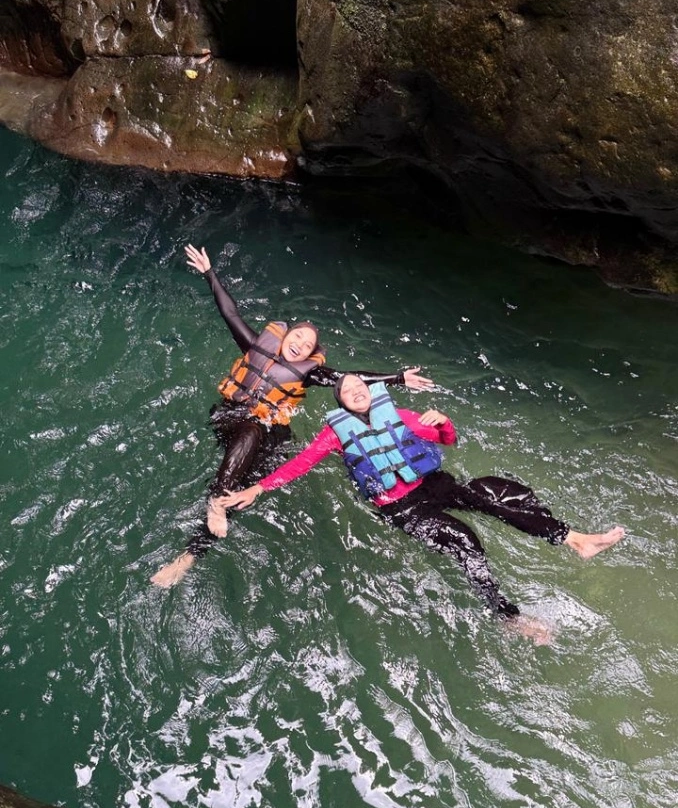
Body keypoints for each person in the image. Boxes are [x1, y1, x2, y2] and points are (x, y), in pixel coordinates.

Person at [214, 375, 626, 642]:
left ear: (369, 391)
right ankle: (507, 617)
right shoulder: (334, 434)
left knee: (492, 497)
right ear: (342, 402)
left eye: (359, 385)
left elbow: (447, 440)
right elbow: (302, 463)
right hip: (402, 508)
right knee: (464, 541)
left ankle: (575, 539)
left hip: (433, 483)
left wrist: (443, 421)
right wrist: (259, 487)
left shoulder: (401, 415)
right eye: (347, 390)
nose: (355, 390)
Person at [151, 249, 434, 587]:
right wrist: (210, 273)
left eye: (308, 344)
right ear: (284, 336)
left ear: (311, 355)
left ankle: (188, 557)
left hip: (268, 433)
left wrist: (397, 378)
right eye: (297, 336)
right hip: (233, 420)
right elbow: (229, 311)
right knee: (250, 434)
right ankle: (216, 498)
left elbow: (350, 376)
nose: (300, 343)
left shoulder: (308, 374)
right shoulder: (254, 345)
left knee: (245, 492)